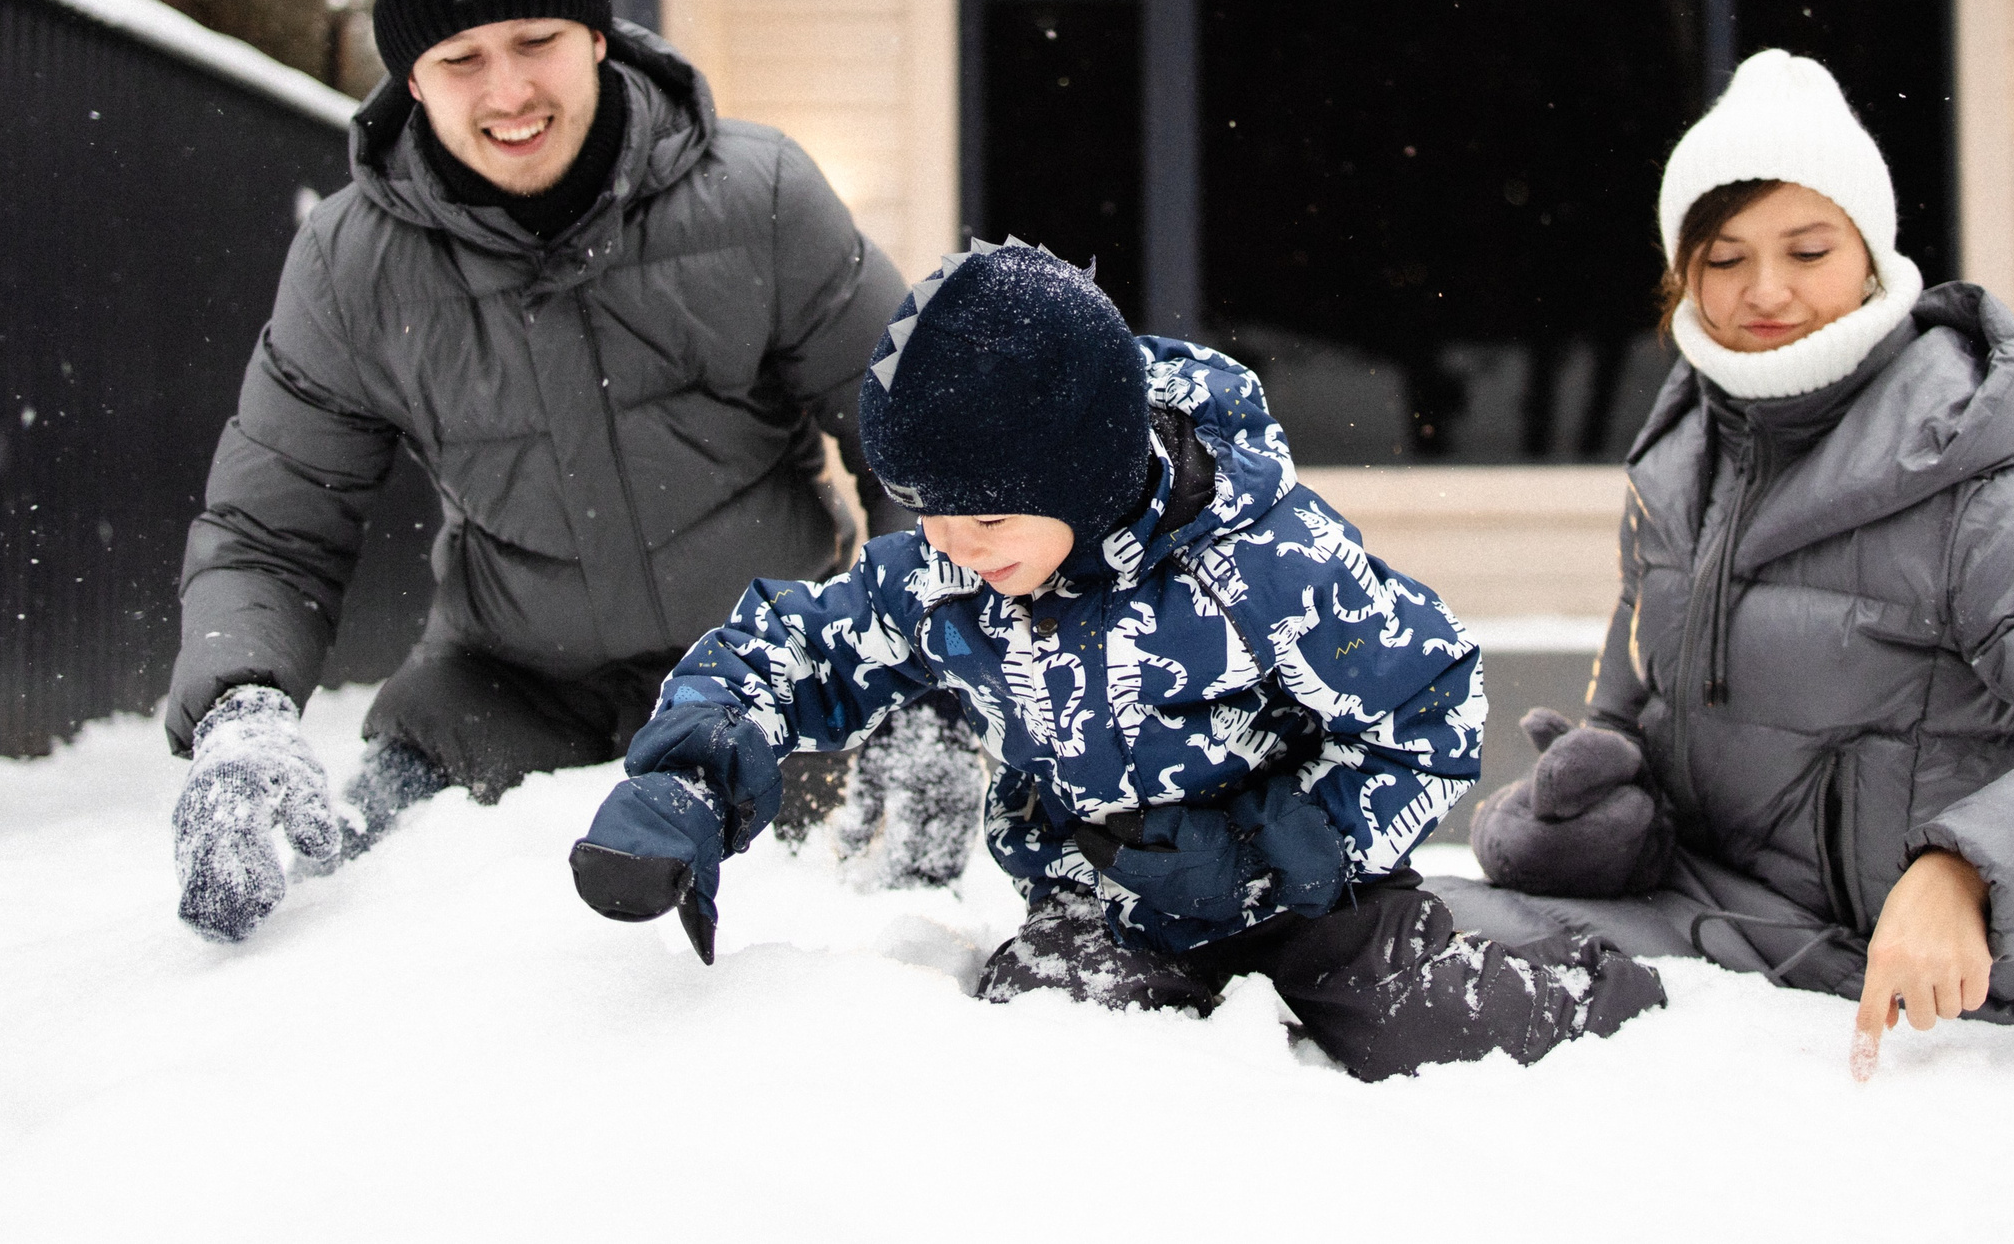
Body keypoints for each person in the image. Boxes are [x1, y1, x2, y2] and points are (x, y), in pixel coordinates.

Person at [563, 241, 1669, 1081]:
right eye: (927, 510)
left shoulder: (1268, 566)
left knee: (1439, 1035)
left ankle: (1586, 981)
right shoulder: (960, 574)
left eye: (984, 514)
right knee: (1062, 1051)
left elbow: (1430, 706)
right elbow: (791, 644)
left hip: (1314, 902)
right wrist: (685, 780)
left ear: (1086, 475)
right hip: (1104, 904)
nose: (947, 541)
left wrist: (1274, 850)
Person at [165, 0, 965, 944]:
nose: (508, 93)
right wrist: (239, 712)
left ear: (596, 33)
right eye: (460, 59)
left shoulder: (760, 197)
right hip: (505, 694)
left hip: (773, 672)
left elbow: (923, 443)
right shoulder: (352, 268)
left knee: (795, 963)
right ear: (411, 79)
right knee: (358, 935)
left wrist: (920, 668)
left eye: (536, 40)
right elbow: (270, 529)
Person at [1432, 50, 2014, 1076]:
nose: (1764, 291)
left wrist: (1968, 872)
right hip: (1698, 919)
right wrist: (1594, 814)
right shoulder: (1683, 457)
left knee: (1375, 975)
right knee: (1342, 934)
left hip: (1882, 989)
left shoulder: (1976, 473)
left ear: (1871, 255)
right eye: (1723, 258)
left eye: (1807, 250)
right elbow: (1632, 723)